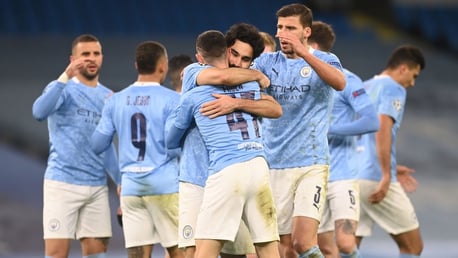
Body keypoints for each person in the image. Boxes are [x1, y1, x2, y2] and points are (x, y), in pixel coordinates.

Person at [167, 30, 281, 258]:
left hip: (224, 171)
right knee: (266, 250)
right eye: (235, 54)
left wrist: (235, 103)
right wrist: (255, 78)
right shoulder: (200, 73)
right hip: (208, 175)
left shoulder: (197, 94)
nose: (238, 63)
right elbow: (225, 78)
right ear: (226, 50)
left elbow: (276, 109)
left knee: (211, 252)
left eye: (246, 59)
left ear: (201, 55)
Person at [251, 3, 346, 258]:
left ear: (306, 31)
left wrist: (305, 54)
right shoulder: (265, 62)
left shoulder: (325, 60)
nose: (282, 33)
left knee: (303, 242)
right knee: (282, 247)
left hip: (311, 162)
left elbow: (339, 83)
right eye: (280, 27)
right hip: (274, 163)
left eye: (290, 28)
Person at [91, 41, 184, 258]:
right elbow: (178, 146)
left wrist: (121, 178)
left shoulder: (115, 101)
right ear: (163, 66)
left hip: (131, 187)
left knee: (138, 254)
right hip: (164, 185)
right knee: (182, 251)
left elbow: (97, 145)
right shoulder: (173, 100)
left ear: (136, 66)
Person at [32, 34, 120, 258]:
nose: (91, 58)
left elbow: (106, 146)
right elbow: (39, 112)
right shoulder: (62, 88)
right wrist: (65, 76)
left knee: (96, 255)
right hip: (62, 185)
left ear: (102, 57)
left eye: (96, 53)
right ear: (73, 58)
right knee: (56, 255)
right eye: (85, 54)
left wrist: (120, 183)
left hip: (97, 188)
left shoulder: (109, 97)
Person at [308, 21, 380, 258]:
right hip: (313, 173)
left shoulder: (348, 80)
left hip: (343, 176)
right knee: (324, 247)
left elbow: (371, 121)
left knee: (346, 243)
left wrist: (331, 129)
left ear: (314, 46)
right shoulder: (303, 81)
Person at [355, 45, 425, 258]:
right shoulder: (394, 88)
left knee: (347, 248)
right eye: (413, 76)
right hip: (375, 177)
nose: (412, 83)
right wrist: (387, 173)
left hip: (351, 177)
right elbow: (382, 125)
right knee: (413, 247)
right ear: (403, 68)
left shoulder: (363, 88)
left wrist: (393, 166)